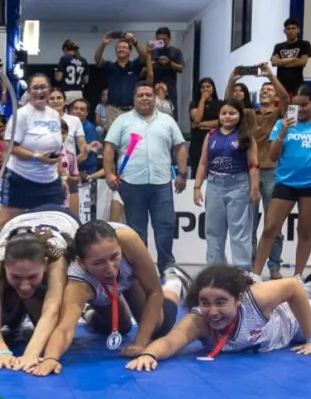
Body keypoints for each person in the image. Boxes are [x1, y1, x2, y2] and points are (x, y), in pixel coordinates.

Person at [125, 265, 311, 371]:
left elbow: (290, 287)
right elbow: (170, 342)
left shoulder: (256, 297)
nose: (212, 311)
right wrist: (149, 354)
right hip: (269, 339)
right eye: (205, 303)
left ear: (238, 299)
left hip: (287, 323)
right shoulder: (198, 322)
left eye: (221, 302)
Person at [33, 221, 191, 375]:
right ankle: (88, 311)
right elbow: (64, 329)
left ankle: (174, 284)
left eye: (115, 257)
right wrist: (50, 358)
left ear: (120, 247)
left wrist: (140, 342)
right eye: (99, 262)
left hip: (131, 279)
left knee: (158, 328)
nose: (110, 269)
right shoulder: (78, 284)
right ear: (81, 263)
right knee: (121, 327)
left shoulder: (128, 240)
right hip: (97, 289)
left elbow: (154, 292)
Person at [0, 210, 80, 374]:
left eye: (32, 276)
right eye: (16, 277)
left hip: (63, 217)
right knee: (22, 297)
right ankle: (22, 305)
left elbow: (52, 310)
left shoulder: (57, 257)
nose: (25, 285)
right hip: (19, 221)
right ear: (5, 267)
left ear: (45, 265)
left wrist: (31, 354)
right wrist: (1, 352)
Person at [104, 82, 187, 275]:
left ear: (154, 98)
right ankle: (141, 269)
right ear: (134, 98)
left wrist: (182, 174)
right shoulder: (122, 120)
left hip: (161, 183)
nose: (144, 98)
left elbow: (180, 147)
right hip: (132, 184)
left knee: (165, 226)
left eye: (148, 95)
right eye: (140, 95)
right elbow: (109, 147)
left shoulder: (167, 121)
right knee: (136, 230)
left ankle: (166, 266)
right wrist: (108, 173)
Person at [252, 86, 311, 278]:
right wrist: (283, 132)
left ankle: (297, 277)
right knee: (270, 228)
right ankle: (256, 274)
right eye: (296, 106)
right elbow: (272, 156)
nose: (301, 109)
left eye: (304, 104)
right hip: (286, 183)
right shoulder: (282, 124)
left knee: (305, 231)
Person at [0, 73, 65, 251]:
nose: (40, 91)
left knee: (51, 226)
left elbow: (56, 148)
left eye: (43, 87)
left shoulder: (54, 114)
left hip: (50, 181)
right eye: (35, 88)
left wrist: (62, 176)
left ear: (49, 89)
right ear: (29, 92)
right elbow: (10, 146)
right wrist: (37, 157)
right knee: (4, 223)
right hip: (21, 179)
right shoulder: (21, 115)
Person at [225, 64, 290, 279]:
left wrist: (271, 74)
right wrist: (232, 79)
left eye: (269, 90)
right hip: (250, 172)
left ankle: (274, 266)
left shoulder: (279, 116)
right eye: (263, 89)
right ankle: (254, 266)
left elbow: (286, 99)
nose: (266, 91)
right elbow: (229, 103)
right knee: (249, 224)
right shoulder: (249, 113)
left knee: (273, 223)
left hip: (273, 172)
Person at [192, 99, 258, 269]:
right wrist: (197, 187)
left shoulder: (245, 135)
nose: (227, 117)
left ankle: (243, 272)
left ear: (240, 115)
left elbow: (253, 165)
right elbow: (203, 163)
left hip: (239, 186)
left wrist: (254, 189)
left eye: (232, 113)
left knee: (240, 233)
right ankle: (216, 271)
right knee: (213, 233)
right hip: (214, 185)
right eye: (224, 113)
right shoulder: (211, 134)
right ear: (219, 116)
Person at [93, 33, 152, 128]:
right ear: (116, 52)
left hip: (133, 109)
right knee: (113, 140)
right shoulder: (110, 66)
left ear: (129, 51)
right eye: (119, 48)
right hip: (113, 110)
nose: (121, 49)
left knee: (133, 138)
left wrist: (135, 42)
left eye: (124, 47)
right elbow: (97, 60)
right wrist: (103, 44)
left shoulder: (134, 66)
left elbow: (144, 57)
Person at [188, 77, 223, 178]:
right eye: (202, 87)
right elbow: (197, 118)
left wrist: (201, 125)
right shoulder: (194, 103)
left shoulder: (219, 104)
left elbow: (220, 122)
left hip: (215, 139)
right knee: (197, 169)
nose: (205, 89)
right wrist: (202, 100)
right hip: (198, 142)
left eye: (208, 86)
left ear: (213, 88)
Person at [149, 27, 184, 118]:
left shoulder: (176, 51)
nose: (162, 43)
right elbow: (144, 71)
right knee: (152, 117)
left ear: (169, 39)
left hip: (170, 90)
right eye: (159, 40)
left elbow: (181, 69)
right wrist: (151, 64)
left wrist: (169, 62)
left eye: (164, 40)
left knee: (171, 117)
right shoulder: (151, 51)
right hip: (154, 90)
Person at [271, 17, 311, 95]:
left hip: (298, 85)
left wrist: (282, 62)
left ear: (298, 30)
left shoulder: (304, 44)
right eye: (288, 29)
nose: (291, 31)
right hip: (281, 85)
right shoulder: (278, 46)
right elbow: (274, 62)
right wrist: (293, 59)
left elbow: (302, 62)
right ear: (284, 31)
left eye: (293, 28)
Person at [54, 39, 87, 103]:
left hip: (67, 92)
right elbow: (86, 80)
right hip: (79, 93)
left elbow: (58, 78)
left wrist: (56, 72)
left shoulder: (64, 58)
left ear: (65, 49)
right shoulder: (83, 60)